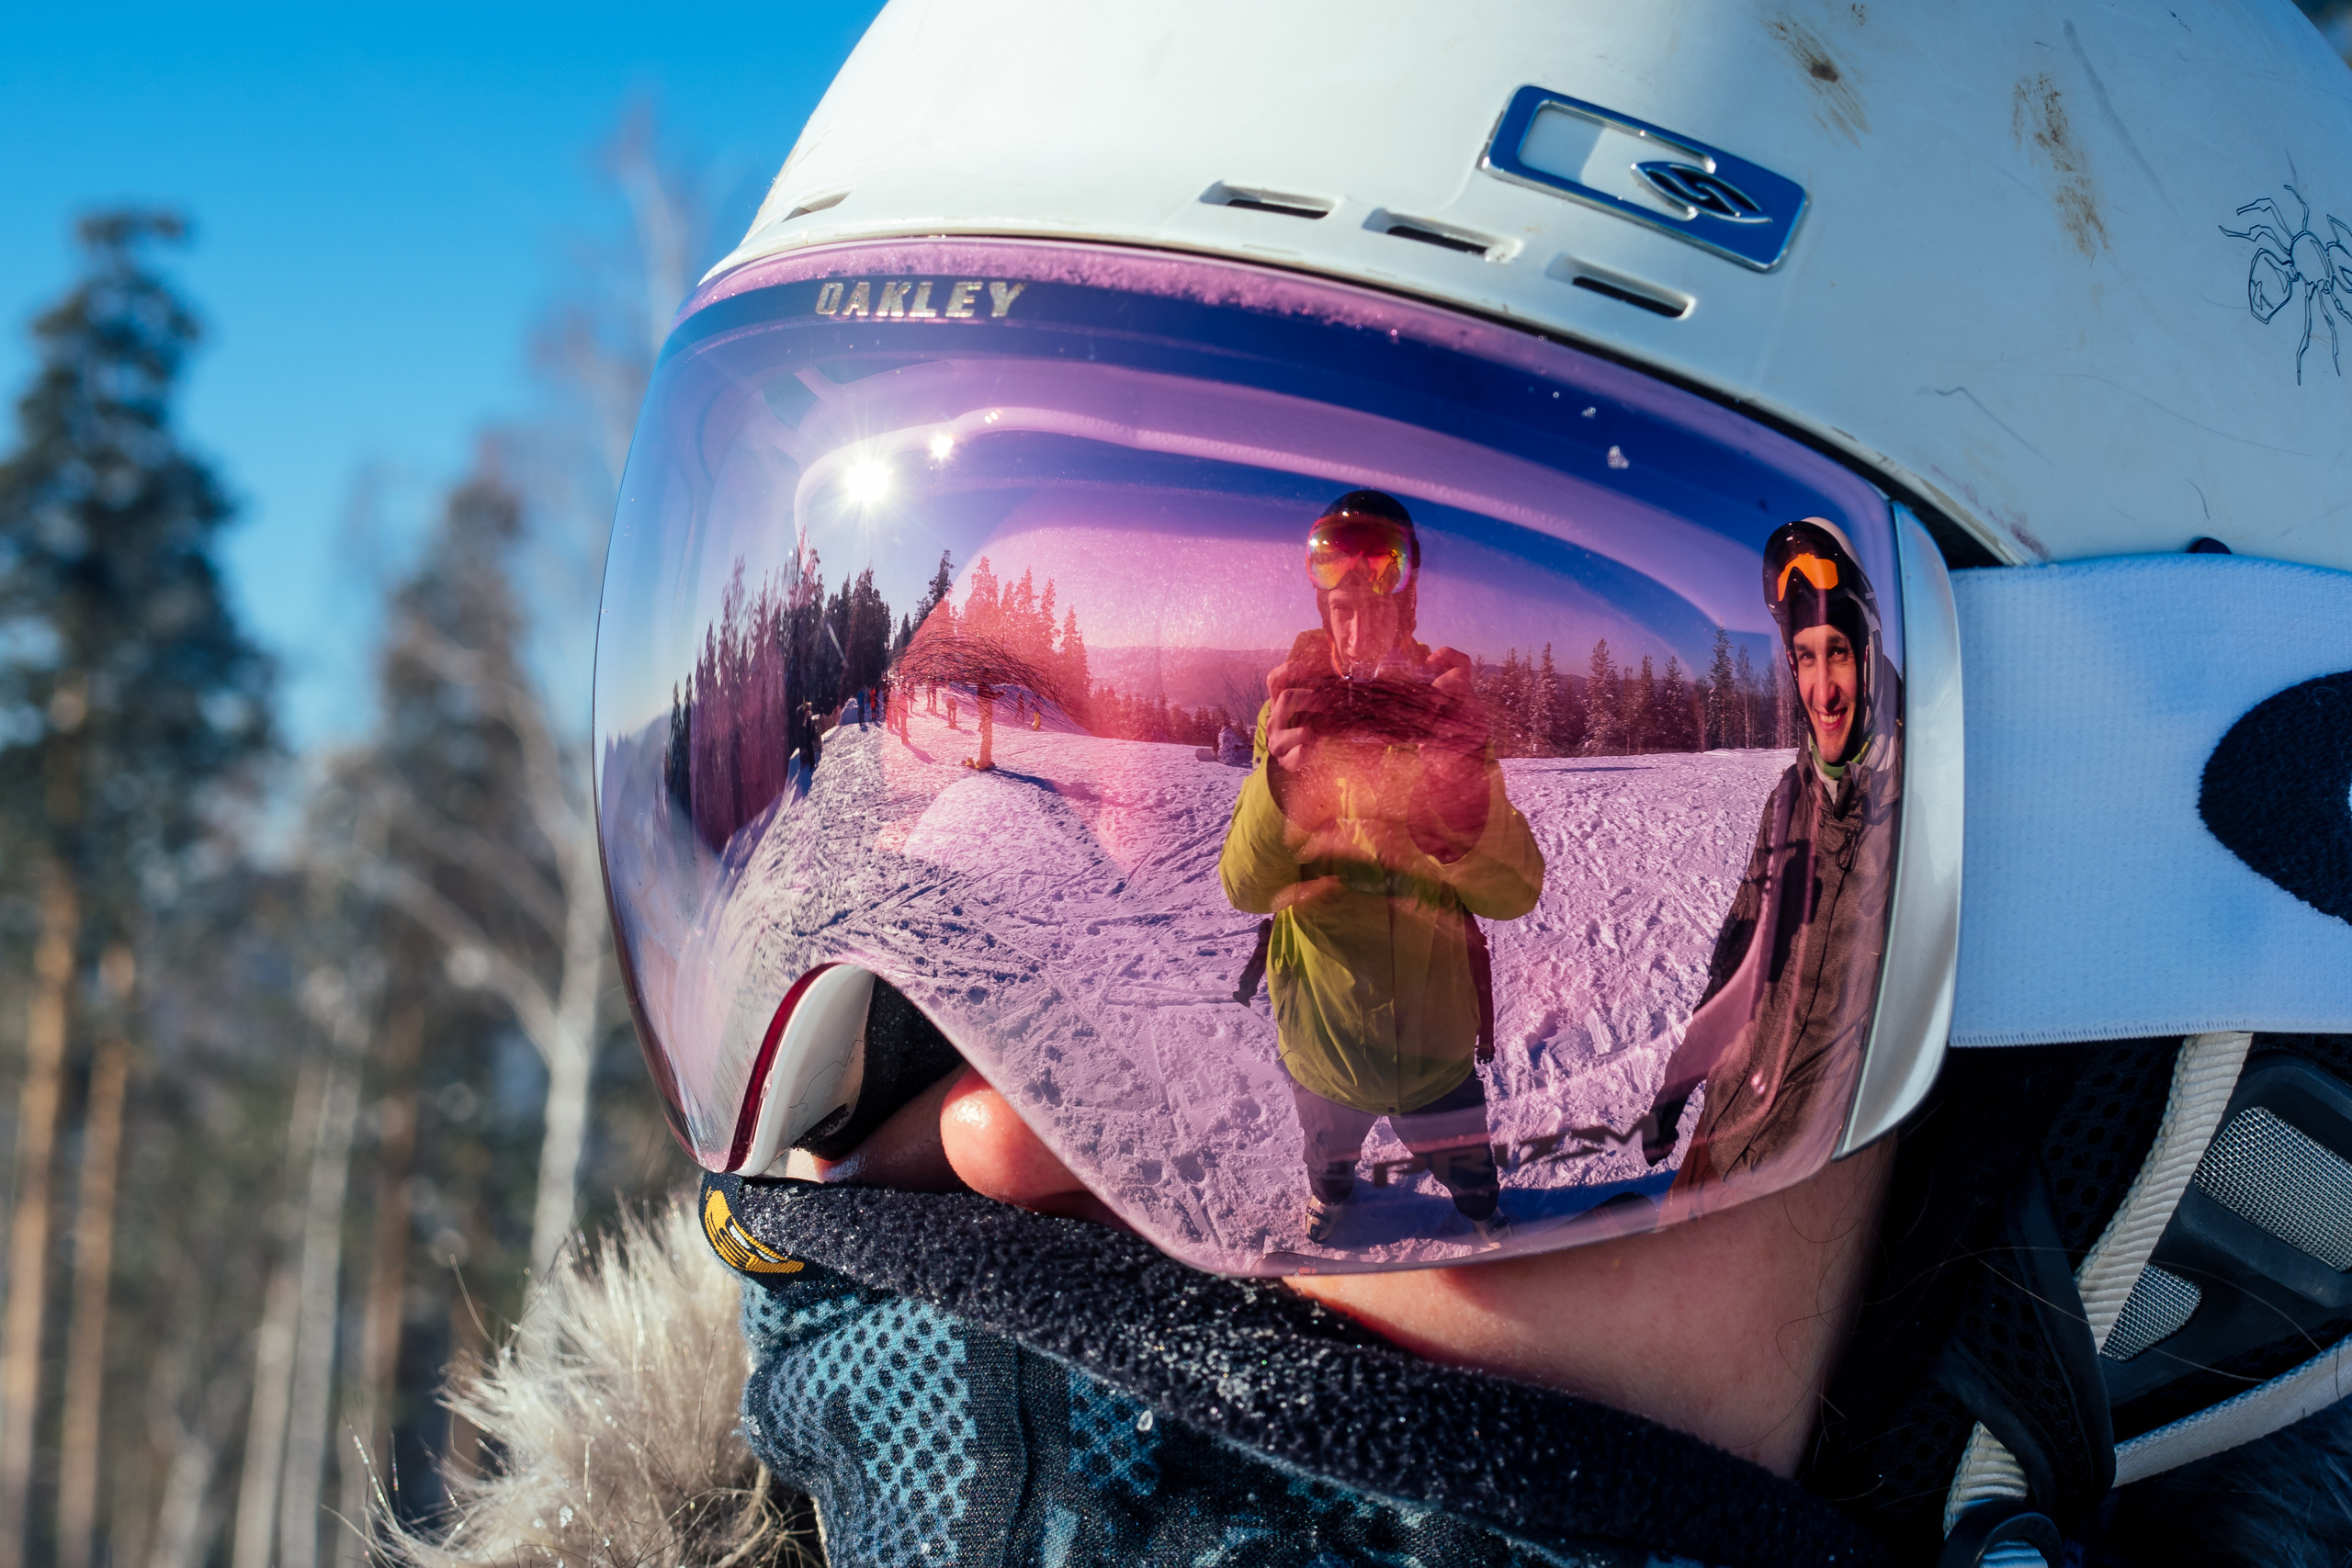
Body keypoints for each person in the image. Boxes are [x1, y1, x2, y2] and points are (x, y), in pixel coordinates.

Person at [545, 4, 2352, 1565]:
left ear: (2129, 1126)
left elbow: (1496, 887)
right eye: (826, 757)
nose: (974, 1126)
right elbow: (1250, 869)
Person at [1218, 491, 1544, 1245]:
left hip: (1435, 1047)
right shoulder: (1290, 714)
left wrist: (1461, 804)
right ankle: (1333, 1198)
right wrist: (1283, 796)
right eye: (1341, 608)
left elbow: (1518, 889)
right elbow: (1244, 885)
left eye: (1377, 606)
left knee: (1467, 1159)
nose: (1358, 629)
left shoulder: (1442, 714)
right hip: (1325, 1041)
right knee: (1326, 1155)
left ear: (1410, 607)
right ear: (1323, 608)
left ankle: (1479, 1210)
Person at [1644, 520, 1898, 1200]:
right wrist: (1679, 1081)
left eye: (1837, 653)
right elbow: (1736, 965)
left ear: (1869, 654)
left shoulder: (1916, 814)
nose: (1823, 689)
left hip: (1809, 1171)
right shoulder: (1787, 803)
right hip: (1722, 1133)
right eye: (1805, 658)